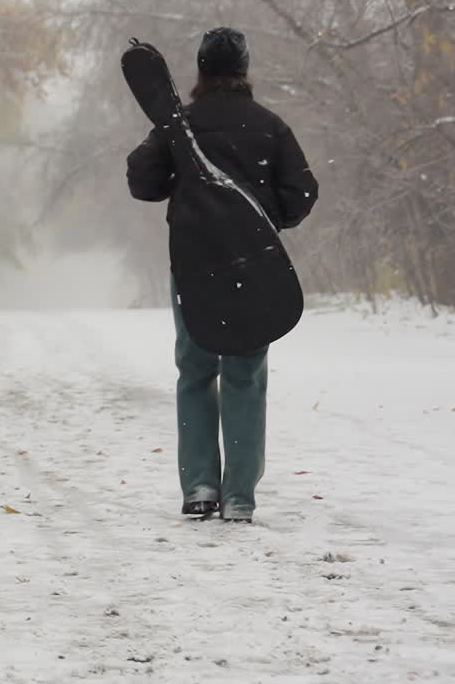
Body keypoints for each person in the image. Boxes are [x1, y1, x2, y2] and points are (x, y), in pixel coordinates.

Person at [126, 26, 318, 523]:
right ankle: (238, 498)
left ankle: (200, 487)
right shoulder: (268, 126)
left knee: (195, 372)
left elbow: (142, 182)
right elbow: (302, 192)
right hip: (254, 268)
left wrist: (178, 176)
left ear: (201, 71)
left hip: (192, 267)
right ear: (244, 70)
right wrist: (264, 220)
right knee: (245, 376)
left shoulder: (180, 125)